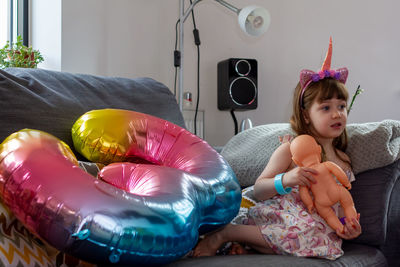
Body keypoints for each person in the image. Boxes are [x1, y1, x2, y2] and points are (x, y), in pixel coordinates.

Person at [193, 38, 362, 260]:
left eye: (341, 106)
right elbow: (259, 189)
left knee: (325, 240)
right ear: (306, 116)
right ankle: (227, 233)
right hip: (281, 218)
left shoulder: (343, 160)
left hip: (317, 225)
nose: (337, 114)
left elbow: (340, 203)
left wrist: (347, 226)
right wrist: (287, 179)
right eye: (325, 108)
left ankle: (248, 244)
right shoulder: (292, 149)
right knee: (305, 233)